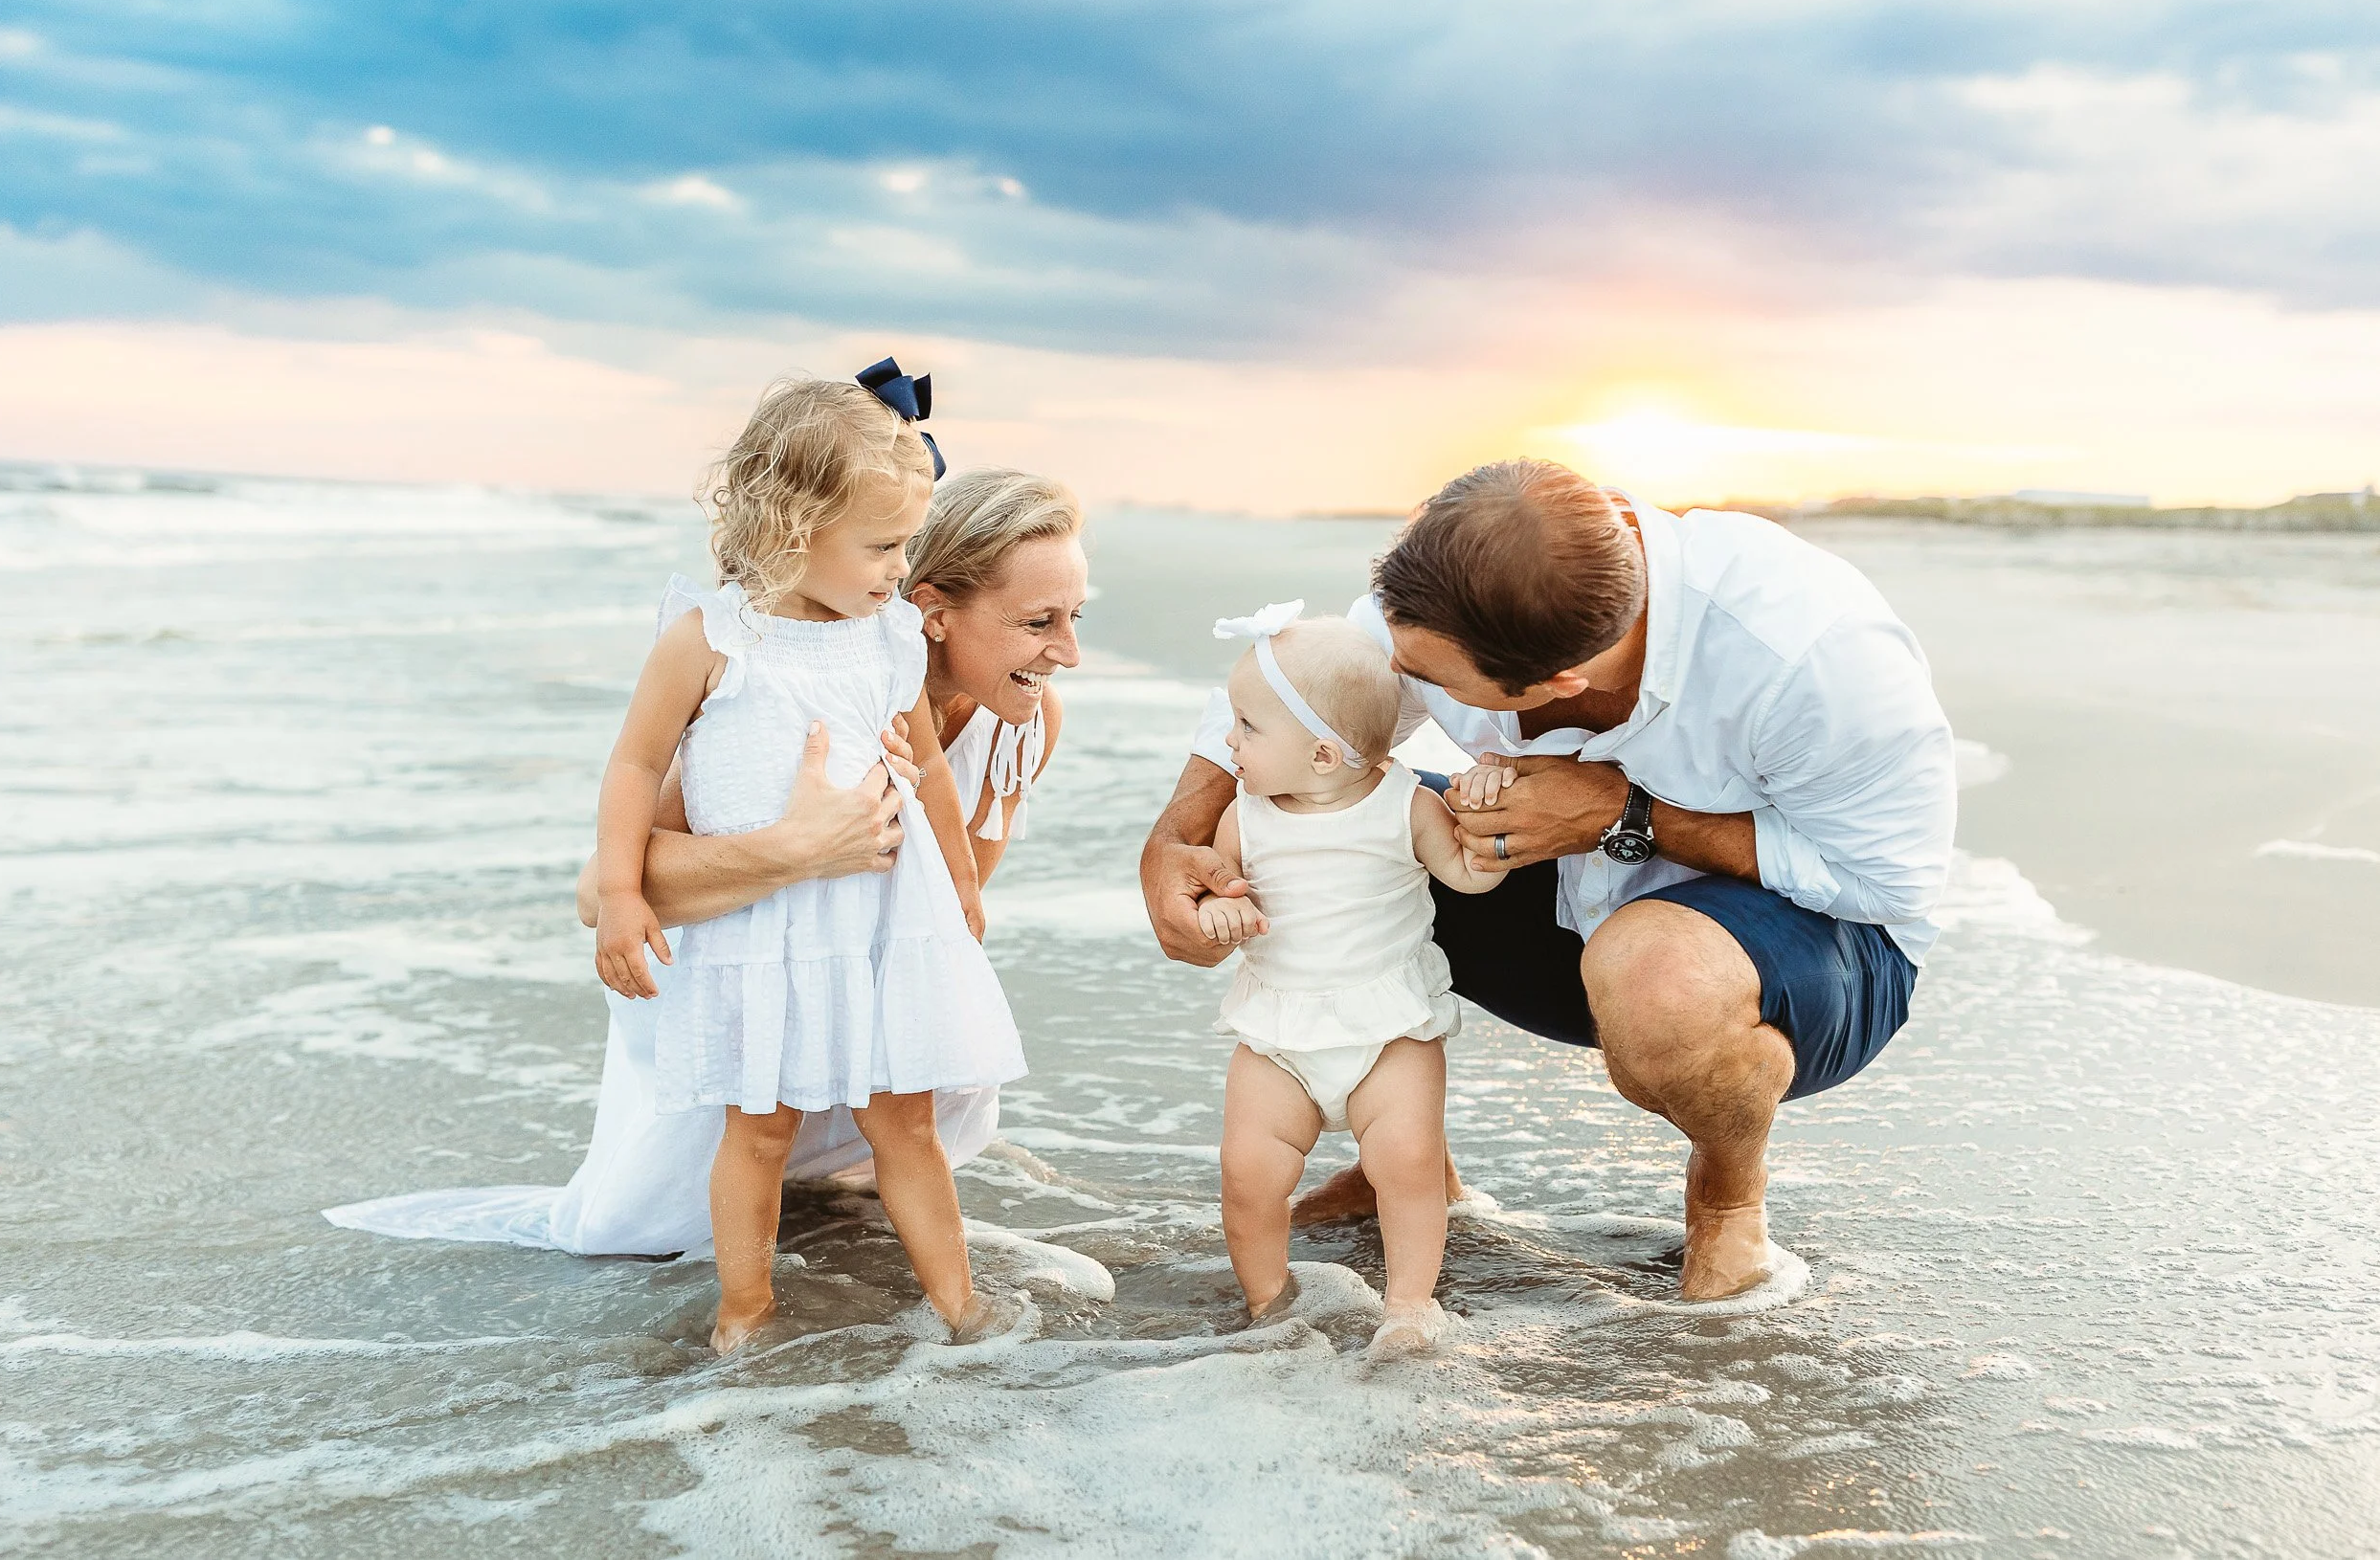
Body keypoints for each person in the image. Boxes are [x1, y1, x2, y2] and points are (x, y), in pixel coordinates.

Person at [1141, 459, 1957, 1302]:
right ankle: (1405, 1162)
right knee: (1328, 825)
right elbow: (1300, 691)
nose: (1398, 676)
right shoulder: (1470, 590)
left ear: (1561, 684)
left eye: (1424, 679)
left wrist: (1627, 814)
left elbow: (1884, 885)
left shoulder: (1811, 657)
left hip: (1814, 960)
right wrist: (1177, 838)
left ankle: (1727, 1201)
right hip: (1568, 900)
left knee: (1654, 976)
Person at [326, 466, 1085, 1267]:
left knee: (930, 1094)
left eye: (1076, 616)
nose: (1069, 652)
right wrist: (796, 848)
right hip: (732, 985)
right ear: (931, 612)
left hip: (851, 982)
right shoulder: (792, 696)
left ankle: (834, 1167)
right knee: (639, 1233)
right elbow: (596, 893)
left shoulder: (1021, 724)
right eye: (1040, 622)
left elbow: (945, 916)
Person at [1195, 605, 1503, 1353]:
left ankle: (1407, 1307)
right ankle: (1268, 1304)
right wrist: (1217, 913)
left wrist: (1489, 833)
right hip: (1277, 1036)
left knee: (1409, 1166)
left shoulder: (1408, 805)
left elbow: (1467, 875)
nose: (1227, 740)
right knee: (1248, 1175)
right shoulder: (1245, 817)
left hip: (1388, 1031)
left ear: (1324, 755)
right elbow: (1217, 893)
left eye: (1246, 725)